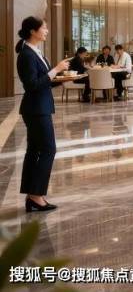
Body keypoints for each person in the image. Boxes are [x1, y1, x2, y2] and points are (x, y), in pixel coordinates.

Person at [15, 16, 70, 212]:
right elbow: (31, 85)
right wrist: (56, 69)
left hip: (40, 107)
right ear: (33, 31)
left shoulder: (36, 52)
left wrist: (62, 78)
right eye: (44, 28)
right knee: (48, 150)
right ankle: (36, 196)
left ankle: (32, 195)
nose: (46, 31)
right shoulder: (26, 55)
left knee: (34, 151)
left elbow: (44, 82)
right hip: (36, 109)